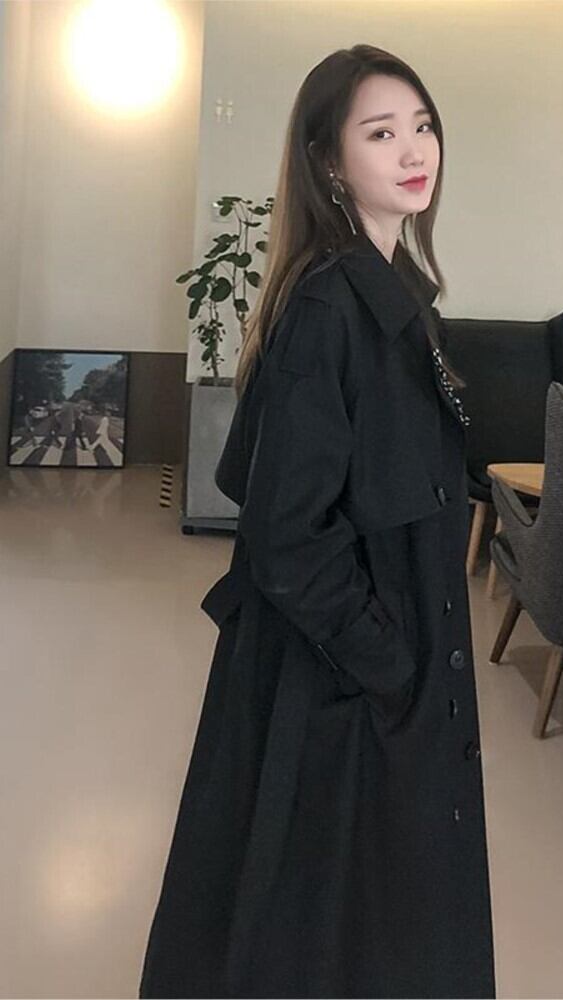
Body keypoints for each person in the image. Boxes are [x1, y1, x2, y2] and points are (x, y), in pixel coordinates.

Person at [139, 44, 495, 1000]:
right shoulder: (332, 308)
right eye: (381, 133)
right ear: (330, 164)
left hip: (379, 670)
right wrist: (391, 666)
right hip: (341, 682)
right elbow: (287, 536)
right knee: (320, 919)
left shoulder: (396, 296)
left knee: (360, 913)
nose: (415, 150)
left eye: (422, 125)